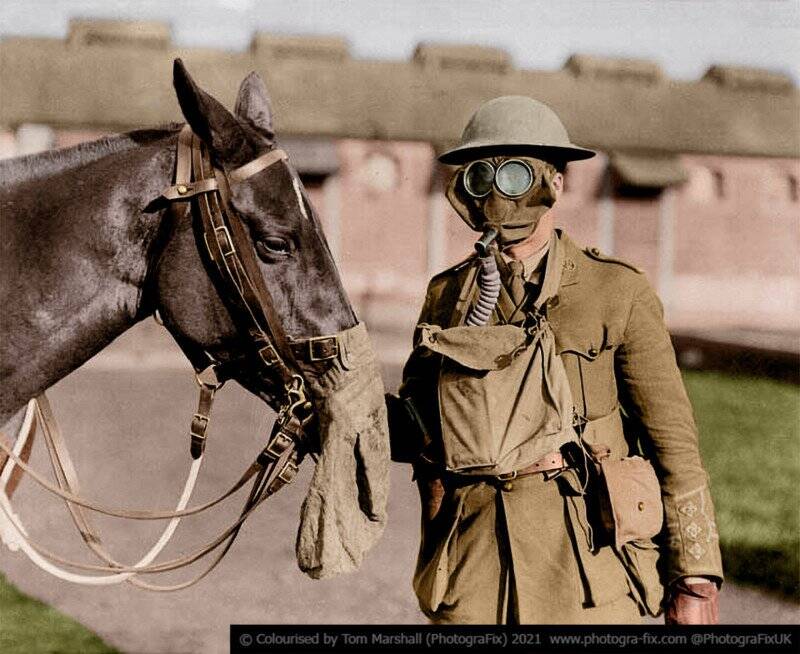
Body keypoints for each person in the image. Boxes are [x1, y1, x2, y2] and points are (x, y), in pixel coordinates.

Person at [386, 96, 722, 624]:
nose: (498, 194)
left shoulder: (616, 290)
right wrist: (336, 403)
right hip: (477, 565)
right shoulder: (447, 296)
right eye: (482, 176)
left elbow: (672, 438)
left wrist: (695, 577)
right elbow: (419, 428)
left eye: (516, 175)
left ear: (557, 183)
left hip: (587, 564)